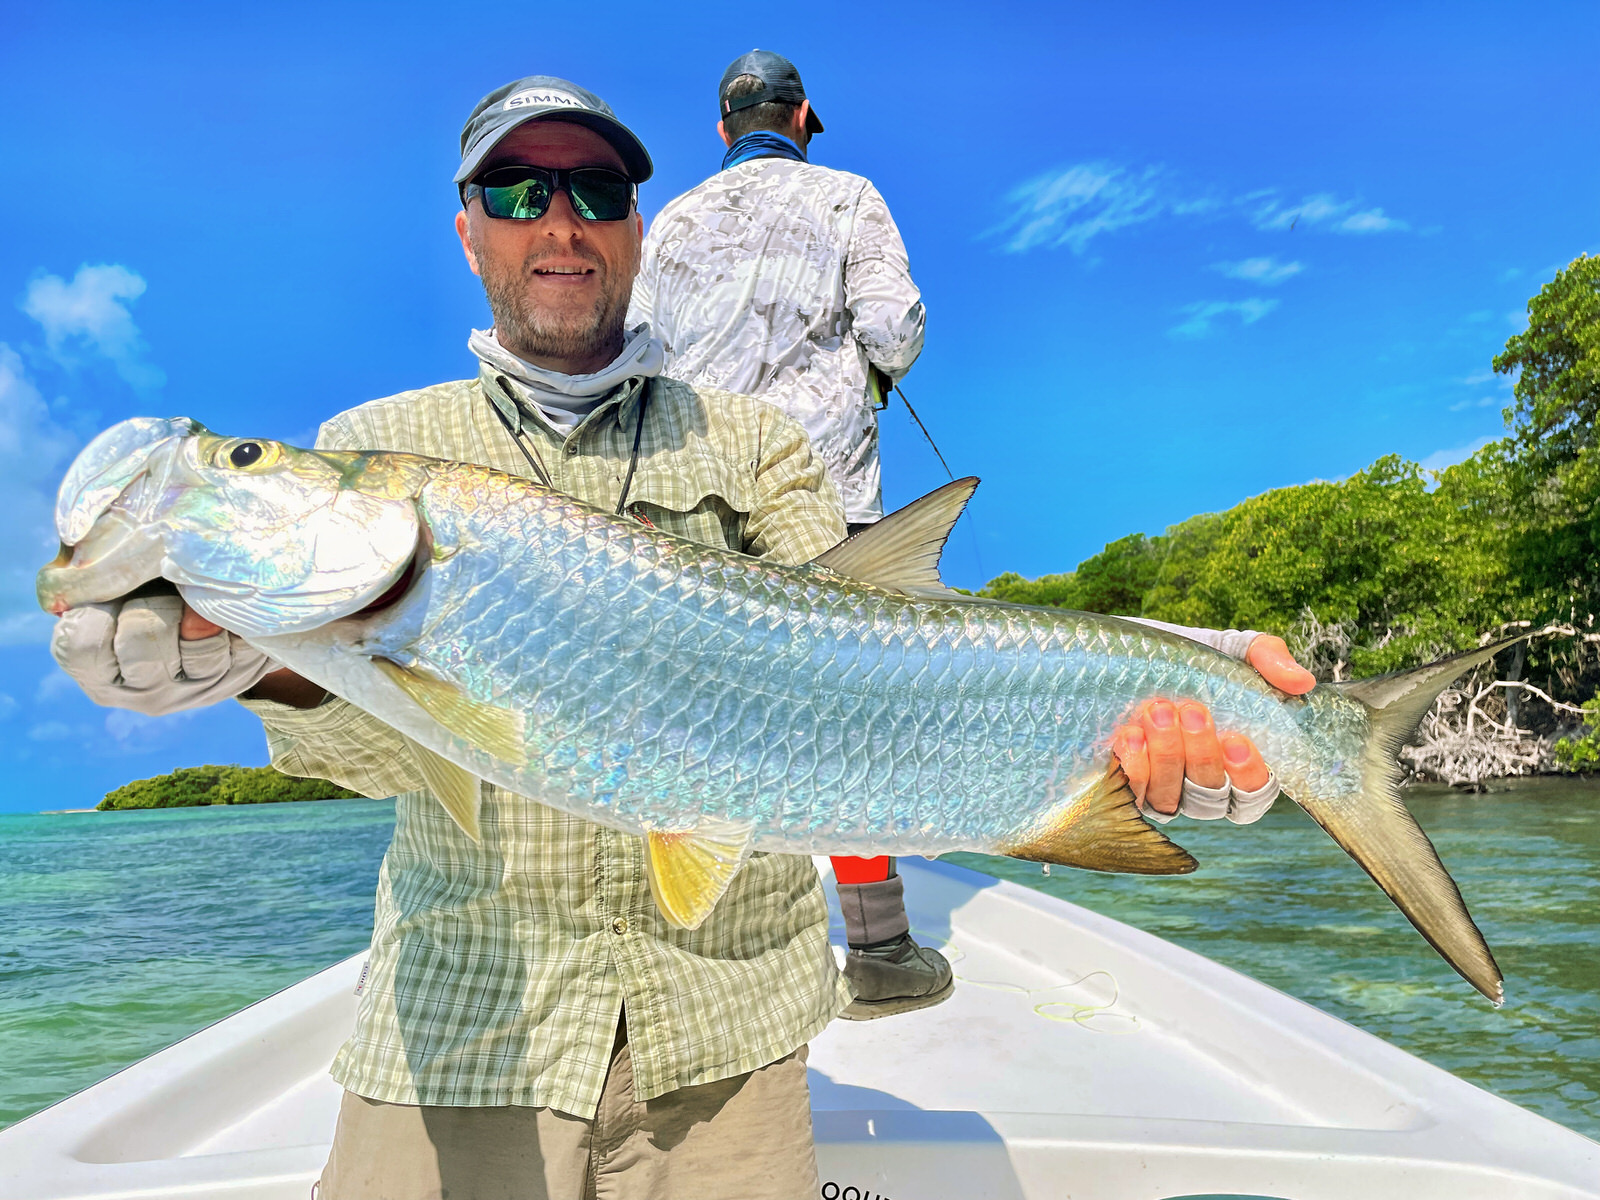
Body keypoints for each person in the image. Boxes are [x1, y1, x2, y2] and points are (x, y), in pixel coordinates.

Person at [51, 73, 1316, 1200]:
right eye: (516, 187)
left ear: (640, 227)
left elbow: (881, 658)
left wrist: (1181, 659)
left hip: (726, 1042)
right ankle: (885, 944)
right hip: (461, 1027)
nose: (559, 220)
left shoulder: (752, 444)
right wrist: (261, 659)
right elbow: (385, 759)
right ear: (467, 227)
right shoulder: (387, 433)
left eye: (595, 190)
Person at [626, 49, 1316, 1021]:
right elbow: (894, 326)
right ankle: (878, 952)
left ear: (722, 128)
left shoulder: (678, 220)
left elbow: (642, 349)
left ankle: (703, 963)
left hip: (692, 491)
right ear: (803, 114)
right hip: (821, 492)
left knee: (691, 718)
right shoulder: (847, 194)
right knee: (850, 721)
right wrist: (867, 370)